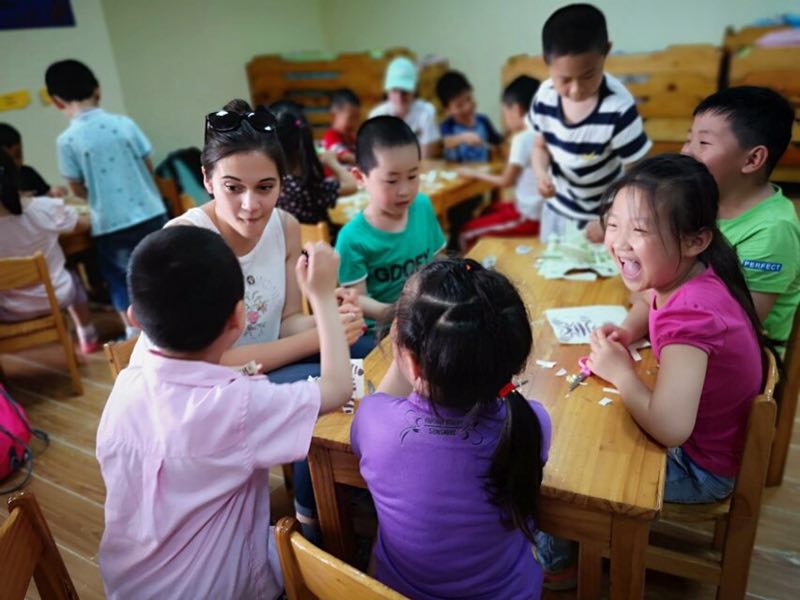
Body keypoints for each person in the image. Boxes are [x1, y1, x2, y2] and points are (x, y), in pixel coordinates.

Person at [96, 225, 353, 599]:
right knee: (325, 562)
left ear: (135, 318)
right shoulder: (237, 405)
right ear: (238, 319)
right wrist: (323, 297)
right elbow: (337, 389)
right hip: (219, 589)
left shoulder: (127, 383)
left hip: (128, 585)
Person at [352, 257, 551, 599]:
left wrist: (408, 359)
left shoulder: (374, 422)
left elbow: (381, 403)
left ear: (412, 362)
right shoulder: (532, 422)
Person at [591, 154, 764, 502]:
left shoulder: (690, 315)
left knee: (580, 473)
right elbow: (647, 300)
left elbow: (671, 428)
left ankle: (560, 551)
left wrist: (621, 373)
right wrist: (628, 330)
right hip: (706, 449)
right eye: (613, 224)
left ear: (695, 241)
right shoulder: (690, 273)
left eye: (639, 229)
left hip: (699, 470)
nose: (620, 242)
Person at [45, 59, 167, 338]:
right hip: (150, 211)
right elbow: (148, 167)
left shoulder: (67, 141)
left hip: (110, 223)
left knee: (123, 280)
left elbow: (76, 187)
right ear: (97, 90)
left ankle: (135, 335)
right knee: (163, 271)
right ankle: (179, 321)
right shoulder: (124, 124)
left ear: (56, 102)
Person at [682, 86, 799, 354]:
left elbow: (731, 326)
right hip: (686, 340)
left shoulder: (773, 231)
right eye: (688, 139)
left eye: (703, 143)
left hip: (737, 367)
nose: (687, 152)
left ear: (753, 159)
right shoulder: (704, 199)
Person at [529, 4, 651, 242]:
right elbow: (540, 146)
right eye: (564, 79)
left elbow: (638, 175)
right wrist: (540, 173)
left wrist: (612, 219)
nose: (575, 90)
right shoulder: (544, 97)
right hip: (557, 209)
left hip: (602, 215)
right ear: (546, 61)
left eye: (588, 76)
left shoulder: (618, 108)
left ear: (606, 52)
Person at [335, 116, 446, 325]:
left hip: (423, 317)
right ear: (360, 177)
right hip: (379, 331)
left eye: (413, 176)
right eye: (392, 180)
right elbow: (357, 298)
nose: (404, 190)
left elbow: (438, 260)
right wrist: (402, 314)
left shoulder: (422, 206)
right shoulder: (351, 238)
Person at [0, 151, 99, 353]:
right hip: (56, 296)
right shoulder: (43, 208)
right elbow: (82, 225)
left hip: (9, 309)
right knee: (73, 278)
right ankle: (87, 336)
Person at [458, 75, 543, 249]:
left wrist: (474, 173)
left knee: (466, 233)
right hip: (536, 209)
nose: (505, 118)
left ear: (517, 110)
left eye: (505, 112)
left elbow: (506, 181)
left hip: (529, 216)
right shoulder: (541, 131)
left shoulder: (523, 138)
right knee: (488, 209)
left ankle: (471, 274)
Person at [272, 100, 357, 225]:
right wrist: (333, 163)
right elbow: (353, 185)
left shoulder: (273, 188)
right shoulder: (311, 189)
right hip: (322, 243)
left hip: (290, 243)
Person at [369, 56, 441, 159]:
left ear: (414, 90)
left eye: (405, 91)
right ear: (387, 91)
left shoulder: (426, 112)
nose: (399, 97)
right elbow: (376, 157)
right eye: (395, 90)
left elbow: (427, 156)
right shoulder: (377, 116)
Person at [436, 70, 502, 163]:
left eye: (469, 99)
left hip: (484, 172)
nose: (467, 107)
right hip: (459, 175)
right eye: (459, 105)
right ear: (447, 110)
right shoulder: (448, 126)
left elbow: (497, 142)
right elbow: (446, 142)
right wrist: (463, 138)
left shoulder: (483, 121)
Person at [0, 123, 67, 197]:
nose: (16, 162)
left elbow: (46, 192)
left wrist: (53, 192)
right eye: (6, 159)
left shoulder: (28, 173)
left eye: (18, 155)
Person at [322, 88, 361, 165]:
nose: (354, 123)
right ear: (334, 115)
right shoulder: (330, 137)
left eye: (357, 118)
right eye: (351, 118)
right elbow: (346, 157)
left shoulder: (351, 138)